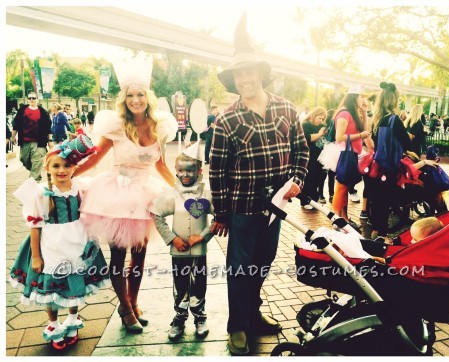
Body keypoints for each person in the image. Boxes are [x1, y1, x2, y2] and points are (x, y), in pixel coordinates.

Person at [211, 15, 309, 355]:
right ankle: (237, 326)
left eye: (250, 72)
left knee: (264, 261)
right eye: (239, 74)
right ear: (234, 80)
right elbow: (217, 170)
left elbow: (301, 151)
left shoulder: (287, 109)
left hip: (276, 207)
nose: (244, 79)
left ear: (260, 75)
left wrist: (296, 180)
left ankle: (251, 314)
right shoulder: (227, 118)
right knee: (240, 268)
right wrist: (221, 213)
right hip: (242, 208)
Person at [74, 55, 177, 334]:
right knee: (118, 257)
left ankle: (133, 301)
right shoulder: (116, 126)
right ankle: (125, 307)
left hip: (144, 197)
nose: (135, 100)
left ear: (148, 97)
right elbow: (95, 158)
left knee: (140, 257)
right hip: (116, 196)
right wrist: (67, 174)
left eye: (140, 94)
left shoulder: (159, 127)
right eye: (130, 95)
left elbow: (161, 165)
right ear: (125, 98)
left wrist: (184, 188)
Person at [9, 136, 110, 350]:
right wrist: (36, 257)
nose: (62, 170)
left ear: (75, 168)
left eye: (67, 165)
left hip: (77, 241)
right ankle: (54, 324)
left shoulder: (81, 188)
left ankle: (73, 320)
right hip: (52, 245)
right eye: (56, 166)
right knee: (52, 287)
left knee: (75, 281)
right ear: (47, 167)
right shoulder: (41, 193)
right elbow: (35, 226)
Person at [150, 142, 213, 340]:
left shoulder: (206, 194)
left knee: (199, 283)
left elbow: (220, 218)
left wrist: (202, 236)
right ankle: (180, 315)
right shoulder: (171, 195)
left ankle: (199, 316)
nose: (185, 175)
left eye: (190, 170)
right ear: (176, 171)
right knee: (180, 283)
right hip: (179, 251)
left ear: (199, 171)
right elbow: (156, 214)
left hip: (199, 250)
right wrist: (172, 238)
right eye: (181, 170)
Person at [369, 82, 411, 239]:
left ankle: (375, 229)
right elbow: (407, 142)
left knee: (377, 197)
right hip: (391, 164)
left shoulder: (377, 119)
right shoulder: (394, 119)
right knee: (386, 198)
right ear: (393, 100)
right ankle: (382, 232)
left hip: (377, 162)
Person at [331, 85, 372, 230]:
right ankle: (337, 219)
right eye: (362, 97)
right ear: (354, 97)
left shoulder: (354, 113)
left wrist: (365, 112)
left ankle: (344, 218)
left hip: (351, 154)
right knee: (341, 188)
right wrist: (360, 136)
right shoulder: (345, 114)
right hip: (344, 154)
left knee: (345, 187)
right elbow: (339, 137)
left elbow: (366, 130)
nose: (364, 100)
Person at [11, 91, 53, 181]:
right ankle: (35, 171)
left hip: (39, 143)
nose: (31, 100)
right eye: (29, 98)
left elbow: (48, 128)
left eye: (33, 98)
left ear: (37, 99)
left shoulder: (43, 112)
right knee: (23, 159)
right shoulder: (22, 110)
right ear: (27, 99)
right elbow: (16, 124)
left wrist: (50, 141)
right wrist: (13, 136)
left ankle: (34, 180)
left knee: (37, 163)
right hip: (25, 141)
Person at [301, 106, 328, 208]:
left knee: (318, 178)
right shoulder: (306, 124)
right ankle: (304, 201)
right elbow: (307, 138)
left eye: (322, 119)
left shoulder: (321, 126)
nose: (320, 121)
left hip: (319, 156)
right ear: (314, 115)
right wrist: (320, 133)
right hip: (310, 156)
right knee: (309, 179)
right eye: (319, 118)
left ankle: (314, 200)